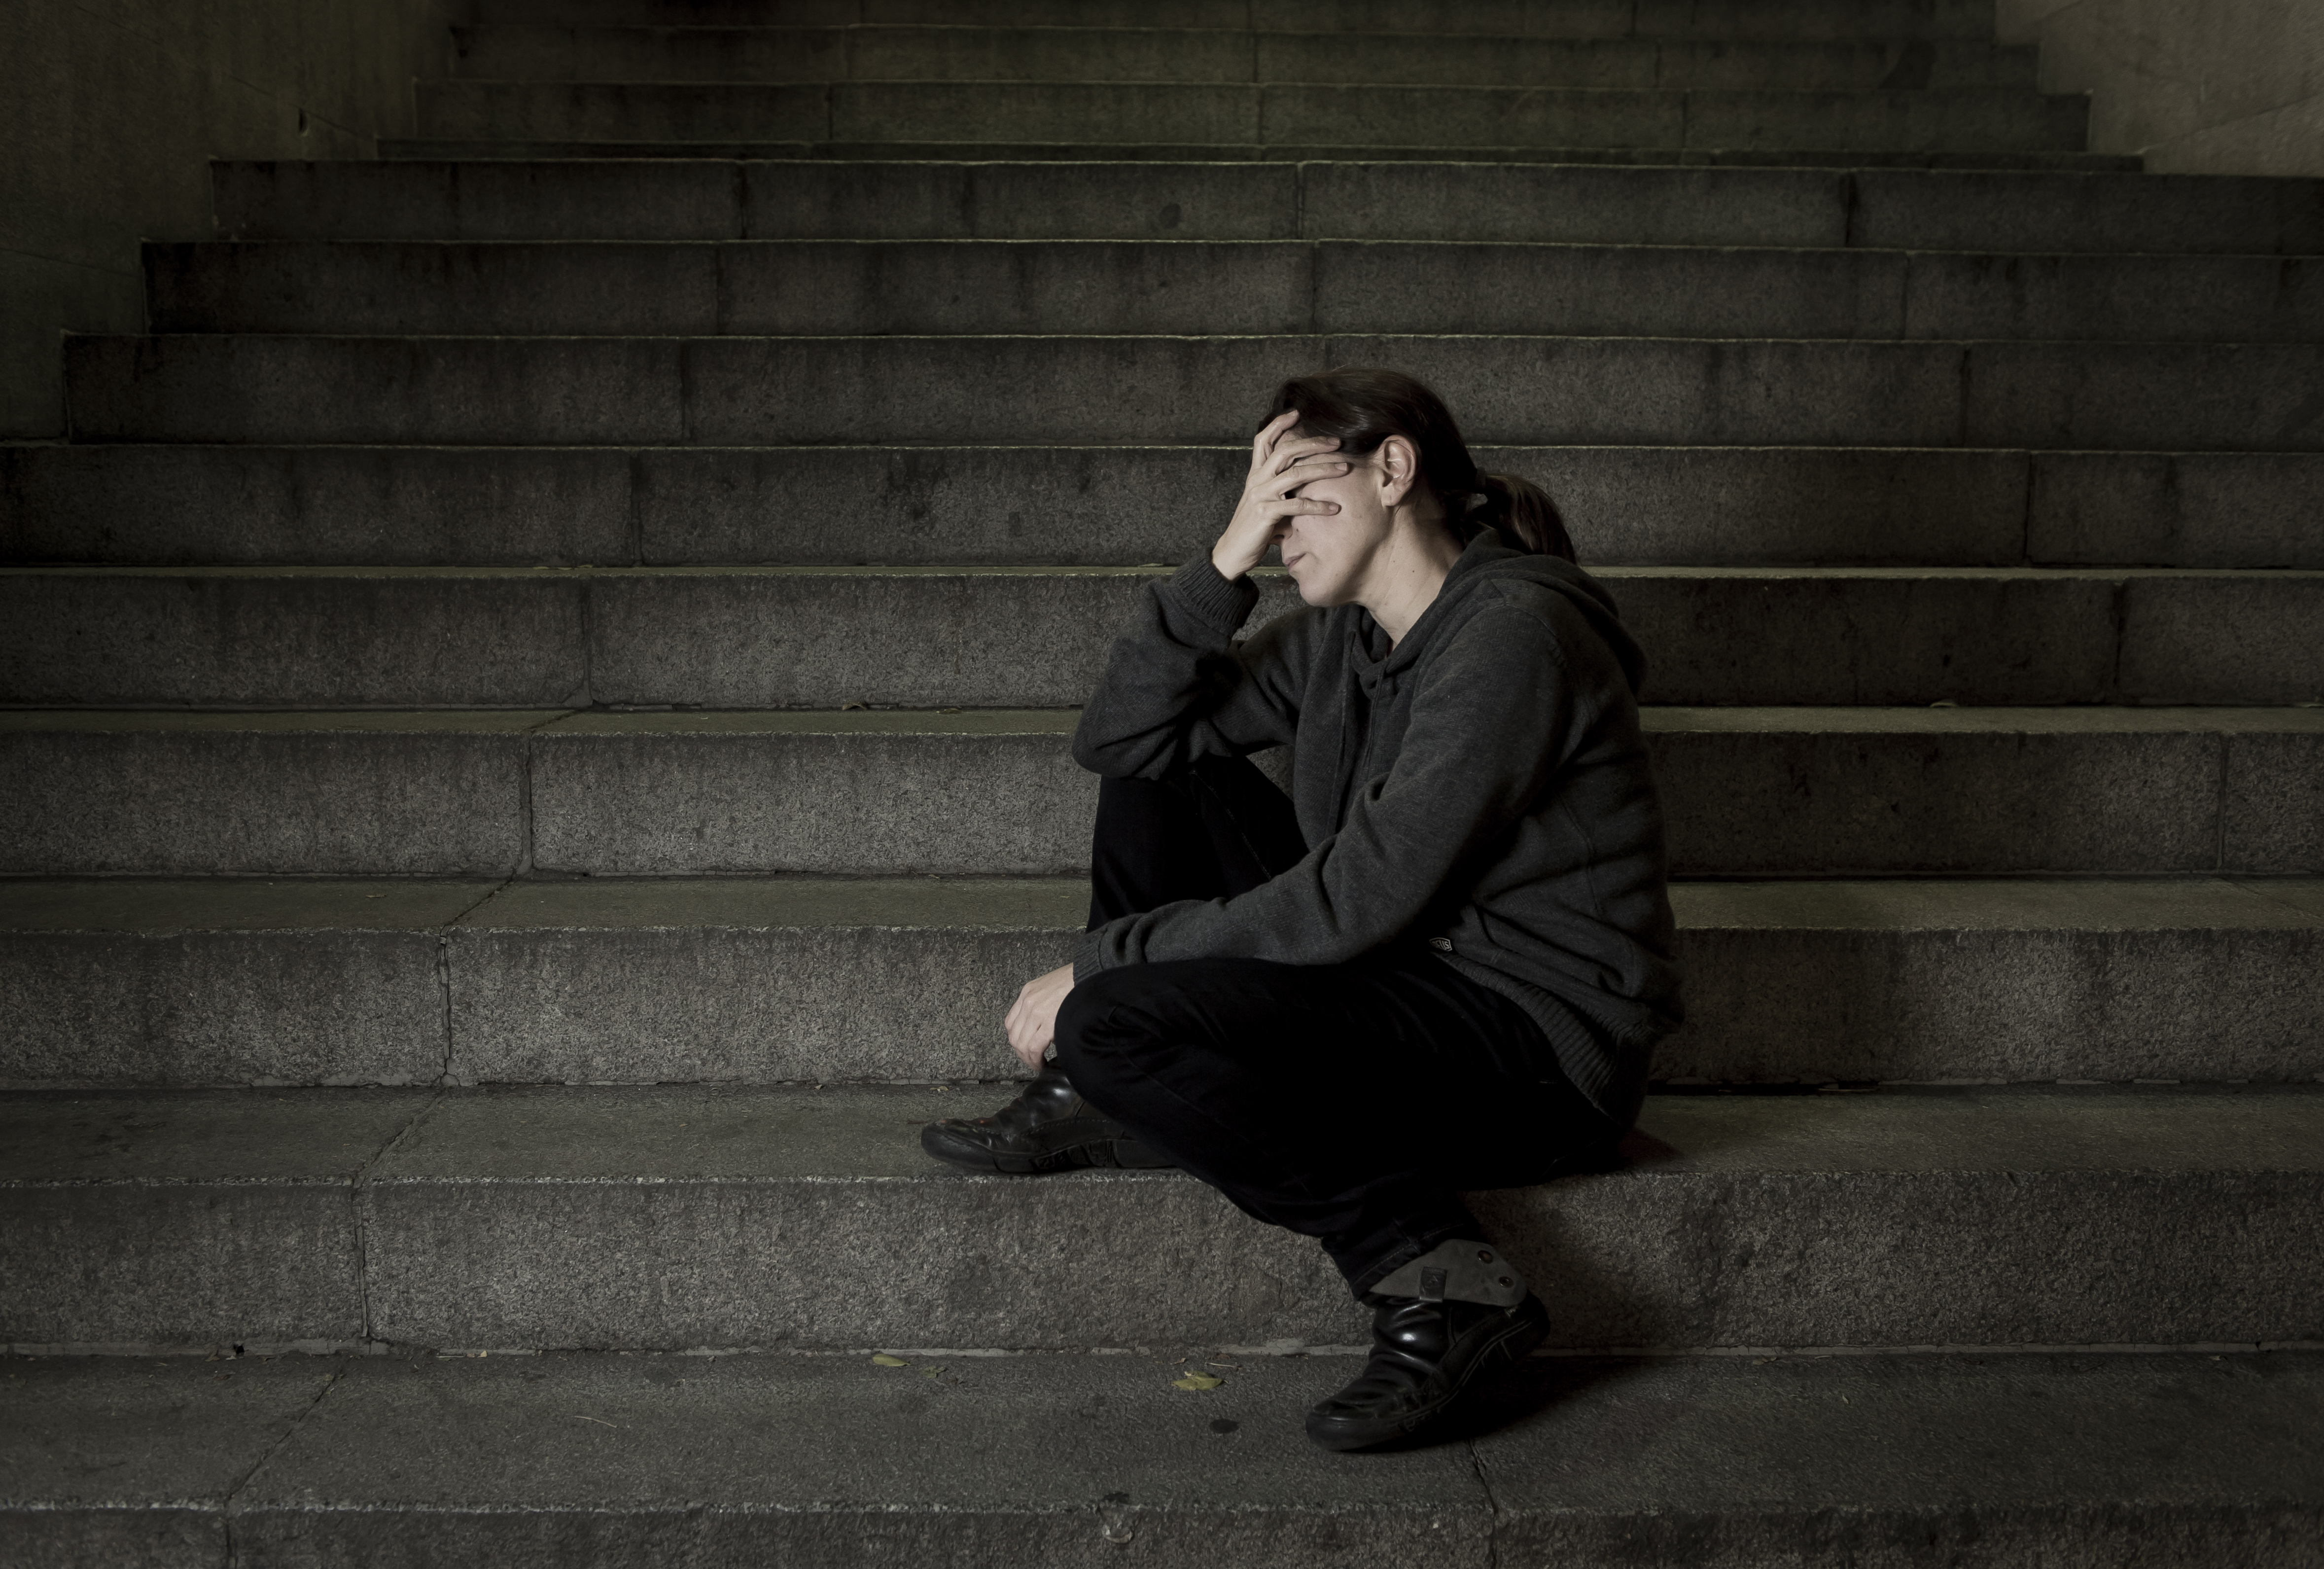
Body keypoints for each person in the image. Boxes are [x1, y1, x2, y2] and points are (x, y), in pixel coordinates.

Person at [921, 367, 1683, 1450]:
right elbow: (1122, 739)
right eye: (1258, 505)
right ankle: (1110, 1088)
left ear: (1392, 469)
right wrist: (1221, 563)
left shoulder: (1514, 632)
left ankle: (1440, 1278)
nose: (1274, 530)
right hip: (1408, 976)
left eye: (1295, 497)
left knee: (1115, 1017)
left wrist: (1110, 964)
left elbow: (1362, 892)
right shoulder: (1343, 636)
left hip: (1533, 1049)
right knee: (1168, 760)